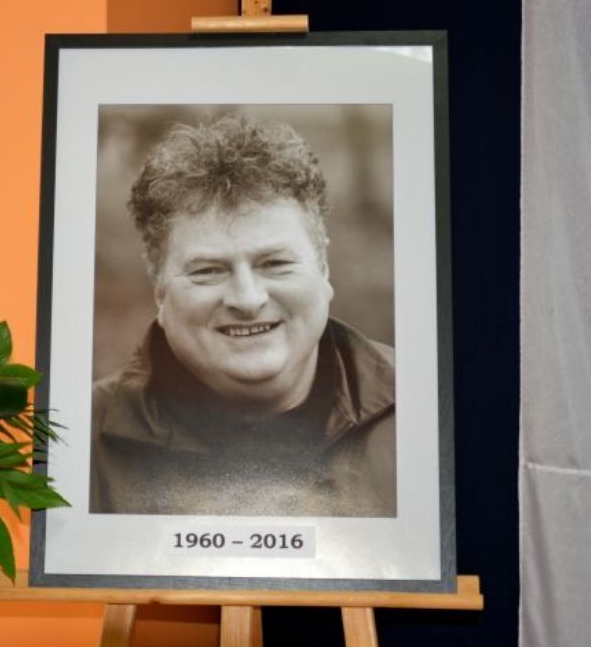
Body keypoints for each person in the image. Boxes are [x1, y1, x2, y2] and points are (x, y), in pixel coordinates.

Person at [90, 115, 395, 517]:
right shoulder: (74, 442)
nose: (248, 299)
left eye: (275, 263)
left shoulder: (428, 408)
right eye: (208, 271)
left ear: (323, 270)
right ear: (160, 291)